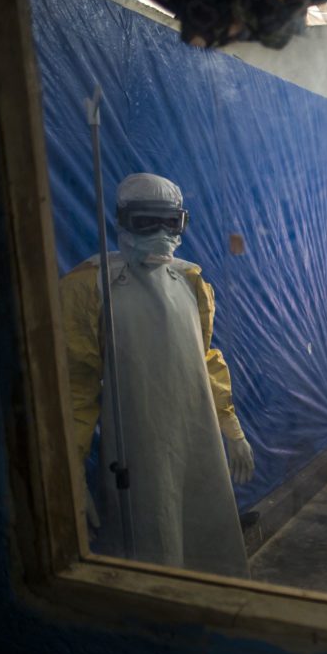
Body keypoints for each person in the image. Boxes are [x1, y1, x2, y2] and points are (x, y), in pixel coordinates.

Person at [60, 173, 253, 578]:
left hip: (196, 435)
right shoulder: (90, 287)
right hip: (138, 445)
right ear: (123, 221)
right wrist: (69, 468)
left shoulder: (190, 281)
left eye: (172, 222)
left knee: (207, 540)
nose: (162, 234)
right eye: (147, 221)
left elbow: (206, 359)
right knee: (152, 542)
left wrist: (230, 426)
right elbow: (73, 388)